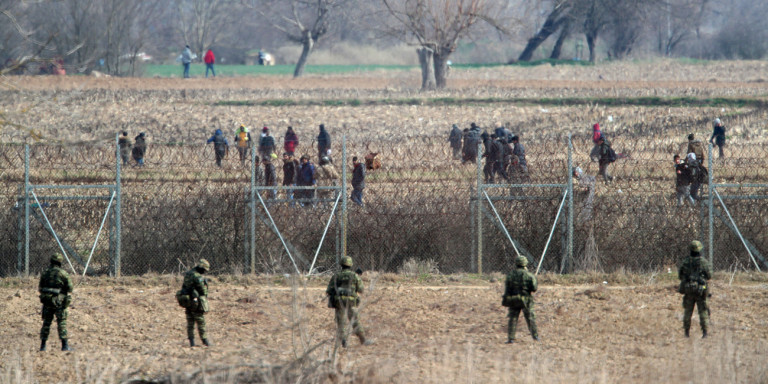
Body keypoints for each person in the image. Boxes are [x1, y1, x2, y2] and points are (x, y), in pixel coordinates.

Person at [326, 256, 370, 348]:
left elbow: (329, 290)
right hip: (351, 302)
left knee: (341, 323)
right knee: (355, 321)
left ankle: (344, 342)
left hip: (339, 302)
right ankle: (363, 340)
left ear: (341, 264)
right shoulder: (354, 276)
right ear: (351, 265)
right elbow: (361, 290)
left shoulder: (336, 276)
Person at [39, 253, 74, 351]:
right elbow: (70, 288)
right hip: (59, 302)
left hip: (47, 301)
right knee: (61, 323)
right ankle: (65, 345)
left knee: (46, 323)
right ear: (60, 262)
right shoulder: (63, 273)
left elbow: (41, 287)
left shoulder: (45, 273)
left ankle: (43, 346)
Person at [678, 240, 712, 338]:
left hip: (688, 290)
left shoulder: (685, 262)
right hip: (701, 290)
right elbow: (709, 275)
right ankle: (704, 332)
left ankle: (686, 332)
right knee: (703, 311)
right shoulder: (704, 262)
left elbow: (680, 276)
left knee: (688, 311)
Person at [502, 255, 538, 343]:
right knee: (530, 318)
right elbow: (534, 288)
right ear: (525, 264)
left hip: (514, 299)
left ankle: (511, 338)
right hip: (526, 300)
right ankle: (535, 337)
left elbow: (507, 289)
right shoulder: (529, 275)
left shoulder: (510, 275)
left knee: (513, 318)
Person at [181, 259, 211, 347]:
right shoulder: (197, 276)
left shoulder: (188, 273)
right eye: (204, 270)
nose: (204, 272)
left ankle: (192, 342)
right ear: (201, 267)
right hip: (196, 302)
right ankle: (205, 341)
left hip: (187, 301)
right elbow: (203, 291)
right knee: (201, 321)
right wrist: (205, 285)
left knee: (190, 323)